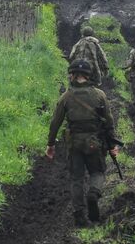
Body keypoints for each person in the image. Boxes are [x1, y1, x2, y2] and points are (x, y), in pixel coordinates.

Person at [46, 59, 121, 227]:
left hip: (74, 144)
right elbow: (109, 122)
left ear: (72, 75)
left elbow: (55, 123)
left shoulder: (66, 96)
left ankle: (79, 216)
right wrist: (112, 146)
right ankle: (94, 193)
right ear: (88, 75)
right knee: (97, 173)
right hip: (95, 142)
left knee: (76, 179)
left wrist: (50, 144)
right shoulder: (100, 95)